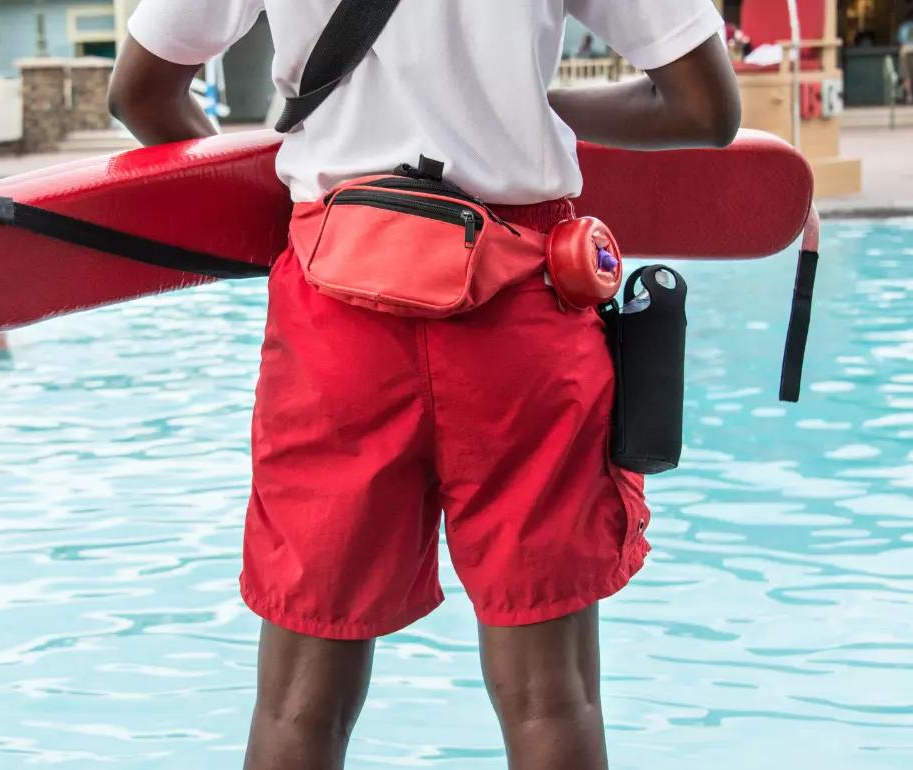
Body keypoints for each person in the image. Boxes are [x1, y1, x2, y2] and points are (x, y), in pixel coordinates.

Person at [108, 2, 739, 768]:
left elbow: (140, 92)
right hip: (519, 310)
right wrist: (527, 107)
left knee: (298, 708)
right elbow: (706, 107)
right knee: (552, 698)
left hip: (336, 314)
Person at [899, 11, 913, 103]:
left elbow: (900, 39)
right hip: (907, 50)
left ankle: (909, 95)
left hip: (905, 50)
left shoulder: (903, 27)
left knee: (907, 75)